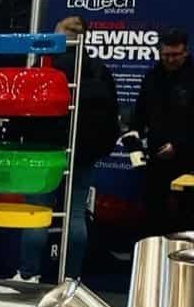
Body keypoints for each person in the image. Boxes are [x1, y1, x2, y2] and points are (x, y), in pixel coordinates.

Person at [18, 17, 119, 280]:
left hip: (42, 154)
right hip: (83, 155)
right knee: (75, 216)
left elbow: (23, 114)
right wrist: (96, 151)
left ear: (58, 37)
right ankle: (72, 277)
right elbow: (113, 119)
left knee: (37, 214)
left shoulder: (43, 68)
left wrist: (22, 142)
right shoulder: (99, 70)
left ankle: (28, 275)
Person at [130, 27, 194, 235]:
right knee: (153, 214)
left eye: (176, 55)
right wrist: (135, 144)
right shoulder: (152, 77)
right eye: (166, 54)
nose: (170, 59)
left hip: (189, 160)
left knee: (187, 215)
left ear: (185, 52)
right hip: (156, 157)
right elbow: (139, 115)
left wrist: (179, 146)